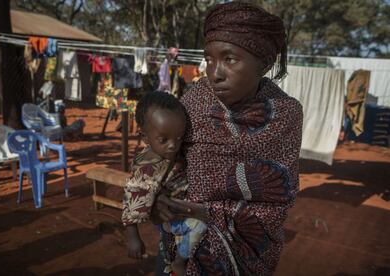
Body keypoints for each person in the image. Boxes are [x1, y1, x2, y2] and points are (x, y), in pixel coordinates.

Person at [150, 2, 303, 275]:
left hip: (243, 255)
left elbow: (279, 199)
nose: (215, 73)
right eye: (209, 59)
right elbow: (163, 159)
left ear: (264, 64)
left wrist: (206, 213)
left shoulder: (286, 114)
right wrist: (156, 198)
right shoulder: (194, 101)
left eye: (229, 59)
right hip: (180, 240)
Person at [121, 91, 207, 276]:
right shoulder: (148, 167)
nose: (173, 146)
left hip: (177, 214)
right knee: (200, 226)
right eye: (164, 140)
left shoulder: (168, 152)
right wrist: (134, 237)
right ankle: (180, 261)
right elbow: (132, 200)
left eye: (179, 138)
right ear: (144, 137)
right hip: (172, 219)